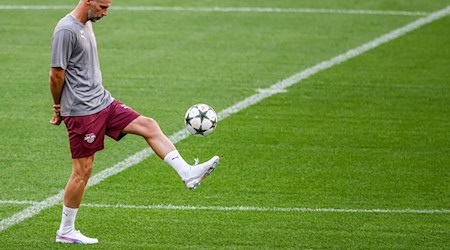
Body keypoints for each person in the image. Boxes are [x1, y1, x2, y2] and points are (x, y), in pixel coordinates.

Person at [49, 0, 219, 244]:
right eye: (103, 7)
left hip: (103, 102)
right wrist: (58, 107)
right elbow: (56, 74)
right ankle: (66, 230)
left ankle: (187, 173)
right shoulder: (66, 30)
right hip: (82, 111)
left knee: (148, 125)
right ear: (88, 0)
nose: (105, 13)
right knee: (82, 172)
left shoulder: (86, 23)